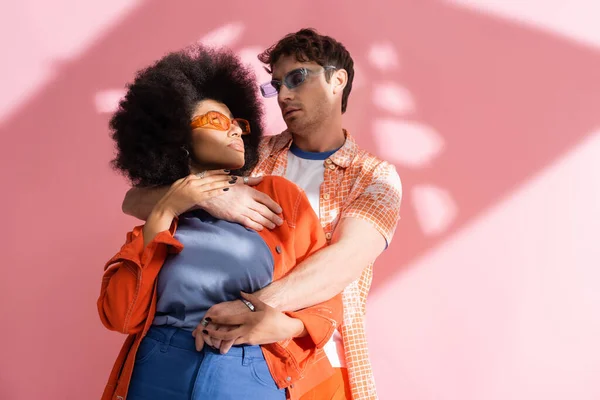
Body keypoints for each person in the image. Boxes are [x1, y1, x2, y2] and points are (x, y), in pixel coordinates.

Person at [123, 28, 403, 400]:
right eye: (276, 84)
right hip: (219, 351)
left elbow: (344, 262)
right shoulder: (248, 150)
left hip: (316, 357)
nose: (284, 95)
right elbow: (136, 200)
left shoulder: (374, 175)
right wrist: (210, 196)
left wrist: (252, 307)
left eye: (297, 78)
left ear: (338, 81)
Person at [98, 44, 343, 400]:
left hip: (249, 370)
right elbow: (119, 317)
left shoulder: (279, 196)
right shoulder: (163, 216)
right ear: (179, 139)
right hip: (158, 369)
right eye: (216, 121)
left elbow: (325, 292)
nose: (235, 132)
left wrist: (286, 324)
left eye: (238, 123)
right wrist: (167, 210)